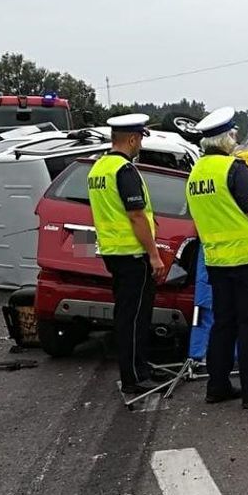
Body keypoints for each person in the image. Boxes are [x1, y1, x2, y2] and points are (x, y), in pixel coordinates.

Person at [186, 107, 248, 410]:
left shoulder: (196, 174)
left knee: (223, 324)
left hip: (217, 261)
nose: (234, 139)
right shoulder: (234, 168)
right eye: (232, 135)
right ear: (226, 138)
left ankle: (217, 386)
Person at [87, 113, 167, 395]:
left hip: (113, 251)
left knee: (126, 314)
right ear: (132, 139)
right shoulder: (124, 170)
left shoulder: (98, 168)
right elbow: (135, 215)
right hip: (132, 253)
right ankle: (135, 376)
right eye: (140, 139)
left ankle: (138, 367)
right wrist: (154, 255)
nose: (141, 146)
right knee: (135, 317)